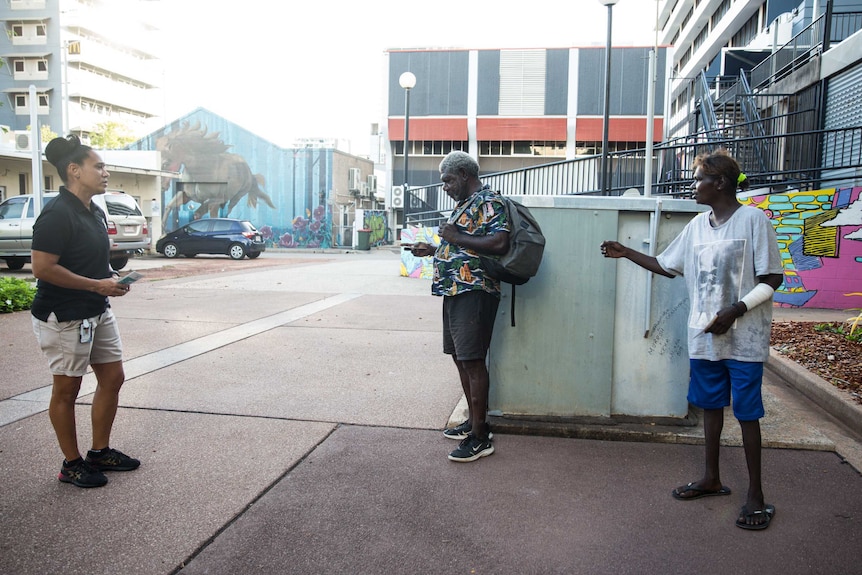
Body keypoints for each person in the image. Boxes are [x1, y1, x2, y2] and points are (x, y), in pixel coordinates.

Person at [600, 149, 783, 530]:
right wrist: (626, 252)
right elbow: (667, 266)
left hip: (744, 339)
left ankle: (756, 496)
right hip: (704, 337)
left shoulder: (753, 221)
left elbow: (771, 279)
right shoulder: (698, 226)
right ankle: (712, 478)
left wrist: (735, 310)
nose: (693, 185)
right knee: (710, 407)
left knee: (748, 414)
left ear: (720, 183)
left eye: (699, 178)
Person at [31, 135, 141, 488]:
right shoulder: (56, 213)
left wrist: (109, 280)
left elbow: (88, 261)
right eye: (99, 166)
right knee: (66, 391)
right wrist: (96, 285)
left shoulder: (93, 210)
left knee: (113, 378)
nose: (106, 172)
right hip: (63, 316)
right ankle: (72, 464)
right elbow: (43, 268)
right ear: (74, 171)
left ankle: (100, 452)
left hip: (97, 308)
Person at [409, 151, 510, 462]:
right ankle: (475, 421)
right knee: (459, 357)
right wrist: (436, 248)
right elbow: (463, 244)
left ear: (465, 174)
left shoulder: (489, 200)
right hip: (454, 290)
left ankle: (480, 438)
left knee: (473, 360)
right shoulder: (465, 205)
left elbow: (500, 243)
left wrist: (457, 236)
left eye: (449, 180)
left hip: (474, 291)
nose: (446, 187)